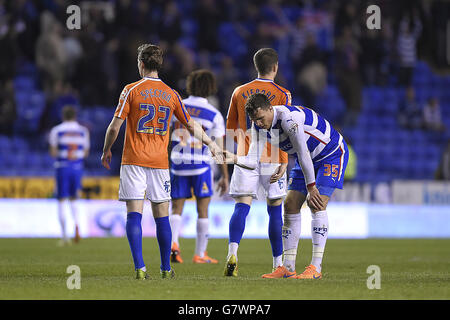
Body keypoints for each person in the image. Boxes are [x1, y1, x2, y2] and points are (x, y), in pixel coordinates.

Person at [100, 44, 222, 280]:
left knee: (133, 214)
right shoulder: (172, 94)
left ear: (141, 64)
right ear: (159, 65)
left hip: (133, 160)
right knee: (162, 216)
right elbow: (190, 124)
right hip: (159, 163)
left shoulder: (131, 90)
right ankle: (166, 268)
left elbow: (115, 126)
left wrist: (106, 150)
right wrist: (210, 142)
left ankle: (140, 268)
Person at [225, 93, 349, 279]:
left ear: (270, 109)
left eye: (260, 118)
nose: (258, 123)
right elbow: (252, 161)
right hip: (305, 158)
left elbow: (303, 152)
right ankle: (288, 268)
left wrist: (311, 187)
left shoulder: (289, 120)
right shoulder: (258, 126)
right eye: (254, 120)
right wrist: (232, 158)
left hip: (330, 154)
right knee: (289, 205)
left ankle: (316, 268)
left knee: (317, 203)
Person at [224, 48, 292, 277]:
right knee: (274, 210)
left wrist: (239, 151)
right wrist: (284, 159)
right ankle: (277, 264)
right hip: (273, 155)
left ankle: (232, 253)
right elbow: (287, 128)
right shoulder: (283, 93)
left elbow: (231, 127)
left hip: (246, 155)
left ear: (256, 67)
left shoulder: (239, 91)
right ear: (275, 67)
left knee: (241, 206)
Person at [169, 69, 229, 264]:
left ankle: (173, 246)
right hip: (201, 166)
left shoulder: (177, 106)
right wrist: (224, 175)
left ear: (190, 85)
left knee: (176, 208)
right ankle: (200, 254)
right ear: (211, 88)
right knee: (202, 210)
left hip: (177, 163)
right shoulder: (214, 114)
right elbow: (220, 147)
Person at [49, 105, 90, 246]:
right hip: (77, 168)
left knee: (61, 200)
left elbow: (53, 152)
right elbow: (85, 152)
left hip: (63, 167)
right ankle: (77, 225)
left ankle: (65, 235)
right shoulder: (83, 131)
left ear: (63, 116)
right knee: (74, 198)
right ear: (75, 116)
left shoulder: (57, 130)